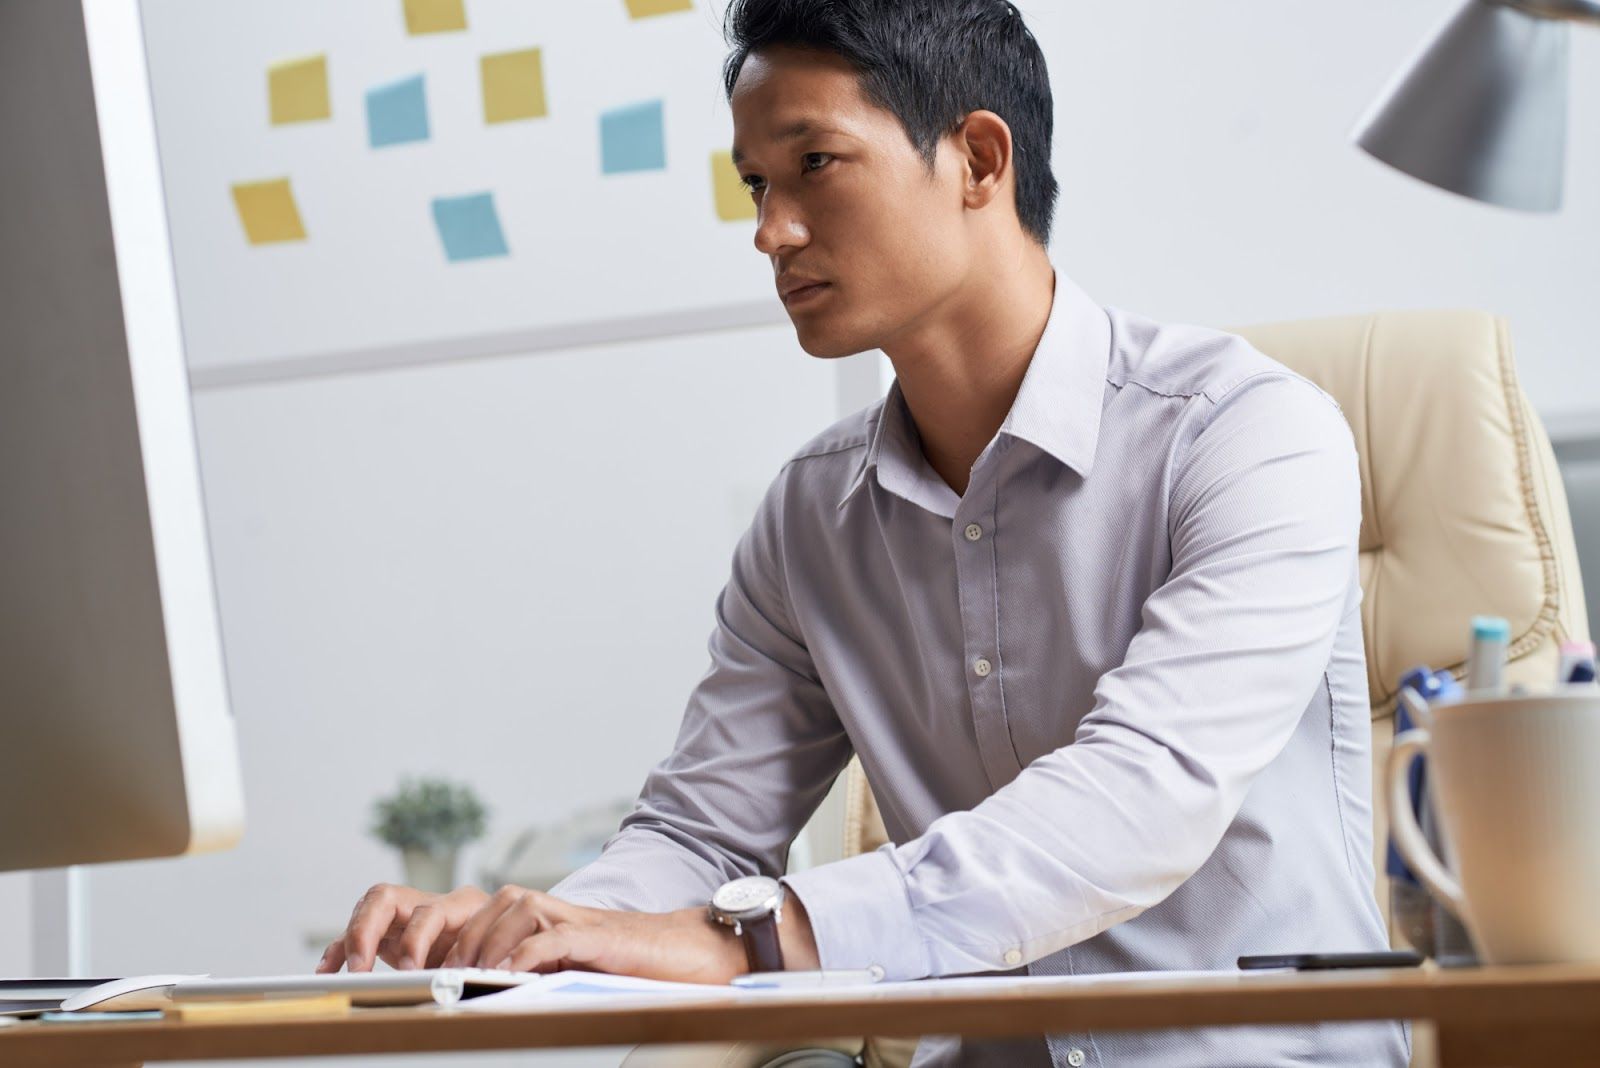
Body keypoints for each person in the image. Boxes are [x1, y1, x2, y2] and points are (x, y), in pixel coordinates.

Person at [319, 1, 1408, 1063]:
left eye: (814, 167)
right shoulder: (808, 518)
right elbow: (702, 834)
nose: (768, 231)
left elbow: (1138, 801)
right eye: (754, 184)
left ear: (981, 161)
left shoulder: (1249, 436)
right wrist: (525, 942)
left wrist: (747, 940)